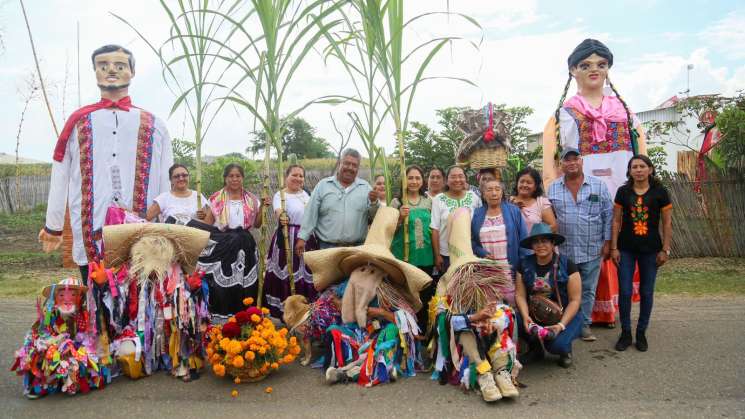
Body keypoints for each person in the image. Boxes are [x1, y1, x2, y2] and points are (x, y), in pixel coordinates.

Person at [39, 44, 173, 282]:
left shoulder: (155, 125)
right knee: (95, 294)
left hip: (142, 226)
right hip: (91, 225)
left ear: (132, 72)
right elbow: (59, 172)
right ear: (95, 72)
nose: (111, 70)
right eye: (103, 65)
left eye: (120, 65)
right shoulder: (78, 123)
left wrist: (167, 225)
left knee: (140, 297)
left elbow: (166, 177)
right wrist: (53, 226)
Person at [542, 38, 648, 328]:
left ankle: (611, 311)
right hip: (578, 196)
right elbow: (549, 165)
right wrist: (553, 197)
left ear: (609, 69)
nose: (594, 70)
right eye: (585, 65)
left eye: (601, 64)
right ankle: (582, 314)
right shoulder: (562, 115)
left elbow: (642, 153)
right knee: (583, 254)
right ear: (572, 71)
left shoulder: (625, 114)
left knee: (616, 249)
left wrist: (640, 192)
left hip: (620, 194)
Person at [303, 207, 432, 387]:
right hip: (355, 331)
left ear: (384, 269)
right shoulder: (347, 284)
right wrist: (337, 303)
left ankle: (353, 371)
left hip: (379, 332)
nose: (368, 269)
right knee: (334, 330)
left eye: (374, 265)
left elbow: (407, 319)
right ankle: (368, 368)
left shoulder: (390, 290)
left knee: (391, 333)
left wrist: (381, 312)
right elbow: (329, 305)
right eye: (365, 264)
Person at [431, 208, 520, 402]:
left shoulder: (484, 283)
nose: (469, 274)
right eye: (463, 270)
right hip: (464, 337)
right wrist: (472, 318)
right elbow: (441, 321)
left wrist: (492, 318)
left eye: (473, 269)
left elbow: (506, 311)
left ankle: (501, 371)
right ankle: (483, 374)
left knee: (501, 324)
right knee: (465, 331)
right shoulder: (445, 287)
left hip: (487, 333)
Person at [191, 163, 269, 324]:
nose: (234, 179)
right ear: (225, 178)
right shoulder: (216, 199)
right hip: (224, 244)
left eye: (238, 176)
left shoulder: (252, 199)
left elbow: (257, 224)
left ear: (242, 178)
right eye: (231, 176)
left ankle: (247, 317)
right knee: (225, 284)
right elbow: (207, 226)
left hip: (245, 243)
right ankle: (226, 318)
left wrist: (263, 209)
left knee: (246, 283)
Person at [548, 148, 612, 342]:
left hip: (592, 248)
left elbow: (608, 216)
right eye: (567, 160)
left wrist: (608, 242)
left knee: (588, 290)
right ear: (562, 165)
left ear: (581, 161)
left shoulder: (599, 186)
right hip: (565, 251)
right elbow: (549, 216)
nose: (571, 163)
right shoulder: (553, 188)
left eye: (575, 159)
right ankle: (568, 325)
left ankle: (584, 326)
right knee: (565, 290)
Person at [611, 155, 673, 352]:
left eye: (642, 166)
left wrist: (665, 249)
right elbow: (616, 221)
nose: (638, 170)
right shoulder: (623, 192)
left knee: (646, 292)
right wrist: (613, 247)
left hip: (651, 250)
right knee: (626, 291)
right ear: (629, 171)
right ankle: (626, 332)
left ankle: (641, 332)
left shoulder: (660, 192)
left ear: (650, 169)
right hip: (626, 249)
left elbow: (667, 223)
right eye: (634, 167)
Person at [514, 223, 583, 368]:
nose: (540, 245)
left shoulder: (568, 265)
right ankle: (536, 349)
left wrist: (560, 325)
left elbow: (575, 300)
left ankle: (565, 350)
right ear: (532, 245)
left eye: (544, 241)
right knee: (514, 319)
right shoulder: (524, 264)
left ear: (553, 244)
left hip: (564, 315)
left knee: (555, 346)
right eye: (536, 241)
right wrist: (526, 317)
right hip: (536, 312)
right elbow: (520, 295)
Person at [296, 148, 380, 253]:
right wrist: (302, 237)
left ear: (358, 168)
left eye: (354, 165)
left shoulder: (365, 188)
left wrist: (374, 202)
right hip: (326, 248)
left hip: (357, 249)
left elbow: (375, 217)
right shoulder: (323, 186)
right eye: (347, 163)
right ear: (340, 163)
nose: (350, 168)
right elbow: (311, 213)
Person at [263, 164, 318, 319]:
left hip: (307, 237)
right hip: (287, 237)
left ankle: (304, 309)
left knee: (306, 272)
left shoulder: (307, 194)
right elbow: (278, 211)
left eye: (301, 176)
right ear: (286, 177)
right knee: (288, 272)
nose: (298, 178)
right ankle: (286, 311)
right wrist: (282, 216)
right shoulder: (280, 195)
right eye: (294, 175)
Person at [471, 179, 528, 305]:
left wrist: (524, 266)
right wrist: (480, 252)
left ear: (502, 193)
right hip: (487, 272)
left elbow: (524, 240)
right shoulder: (476, 214)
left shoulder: (514, 211)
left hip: (510, 271)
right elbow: (472, 242)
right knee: (490, 311)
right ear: (483, 194)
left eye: (497, 189)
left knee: (513, 308)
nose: (494, 193)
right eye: (489, 190)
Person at [390, 165, 434, 330]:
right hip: (404, 257)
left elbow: (433, 228)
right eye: (410, 178)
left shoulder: (428, 200)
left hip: (425, 255)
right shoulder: (397, 202)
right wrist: (400, 217)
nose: (414, 181)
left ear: (422, 181)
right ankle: (407, 329)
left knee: (424, 294)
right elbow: (389, 230)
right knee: (405, 294)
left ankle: (423, 330)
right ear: (404, 180)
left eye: (417, 178)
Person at [430, 165, 482, 273]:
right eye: (453, 177)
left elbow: (480, 223)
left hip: (470, 253)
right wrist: (437, 255)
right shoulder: (438, 199)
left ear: (465, 179)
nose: (457, 180)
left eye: (460, 176)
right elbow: (435, 229)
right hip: (446, 255)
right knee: (449, 287)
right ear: (446, 180)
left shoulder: (474, 197)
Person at [510, 167, 557, 234]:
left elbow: (553, 226)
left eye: (529, 183)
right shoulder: (509, 202)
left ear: (535, 187)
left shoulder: (541, 202)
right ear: (517, 183)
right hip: (514, 243)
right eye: (522, 181)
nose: (524, 185)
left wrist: (533, 238)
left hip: (536, 243)